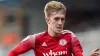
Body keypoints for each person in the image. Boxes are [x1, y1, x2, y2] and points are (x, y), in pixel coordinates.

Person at [7, 1, 99, 56]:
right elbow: (12, 53)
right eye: (56, 19)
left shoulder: (71, 37)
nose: (60, 22)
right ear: (48, 20)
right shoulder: (35, 40)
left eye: (62, 19)